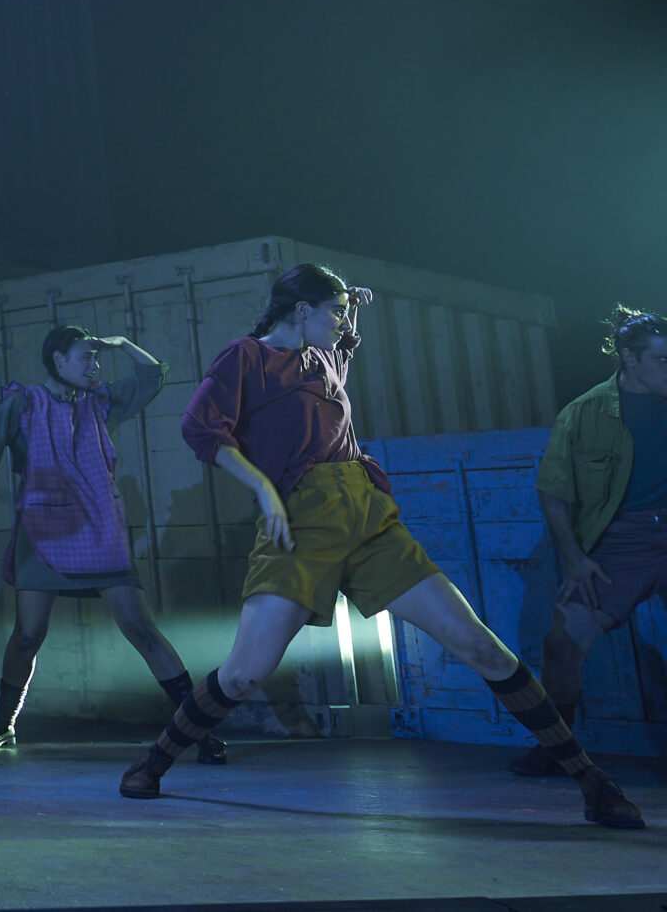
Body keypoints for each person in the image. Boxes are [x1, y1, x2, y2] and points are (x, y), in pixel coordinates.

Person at [120, 264, 641, 828]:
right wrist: (264, 490)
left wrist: (349, 306)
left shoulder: (323, 355)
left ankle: (591, 780)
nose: (342, 324)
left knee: (480, 646)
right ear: (301, 310)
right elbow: (201, 428)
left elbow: (337, 353)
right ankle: (154, 763)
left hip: (367, 515)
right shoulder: (247, 357)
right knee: (245, 674)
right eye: (335, 312)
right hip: (299, 521)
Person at [0, 325, 220, 759]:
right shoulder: (23, 404)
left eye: (96, 358)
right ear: (58, 360)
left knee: (142, 630)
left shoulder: (101, 402)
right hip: (43, 527)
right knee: (27, 635)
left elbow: (152, 376)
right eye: (85, 357)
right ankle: (4, 724)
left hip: (100, 527)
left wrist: (122, 343)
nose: (94, 366)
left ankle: (198, 731)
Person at [513, 306, 667, 778]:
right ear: (630, 359)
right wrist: (576, 559)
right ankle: (558, 750)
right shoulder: (584, 413)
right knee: (560, 645)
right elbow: (553, 491)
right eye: (662, 360)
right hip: (620, 541)